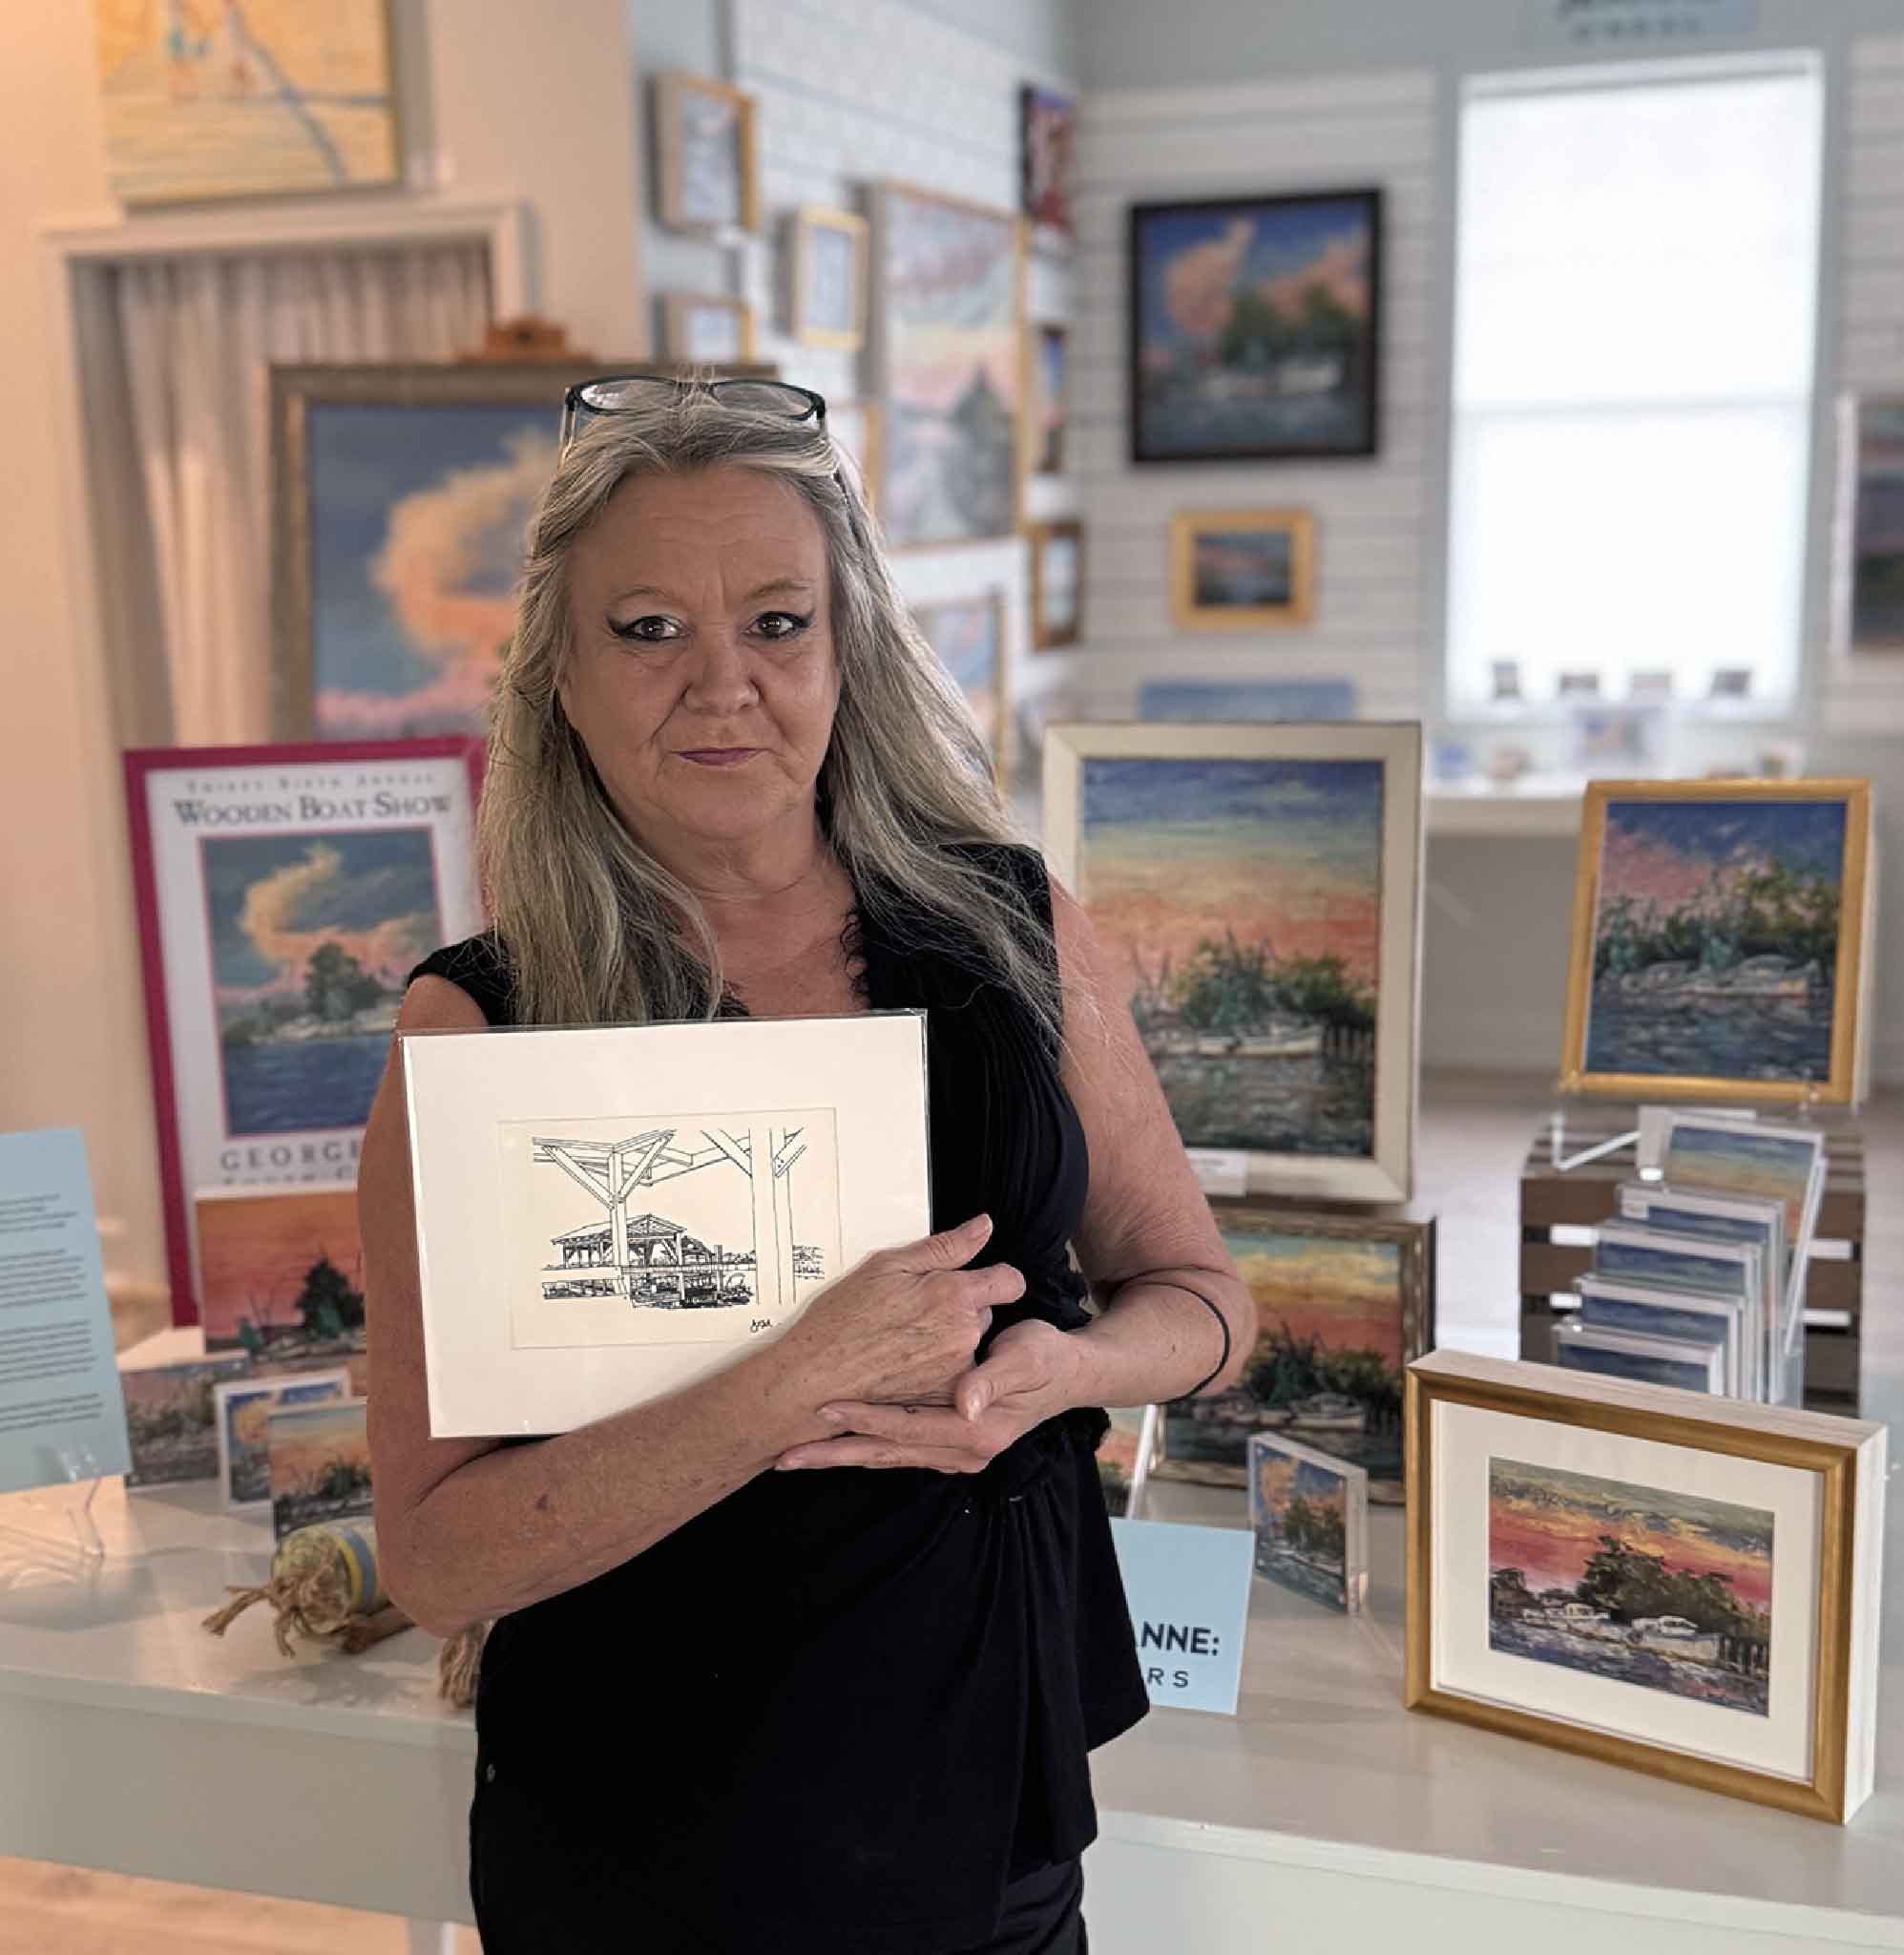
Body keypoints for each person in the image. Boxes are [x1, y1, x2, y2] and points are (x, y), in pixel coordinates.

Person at [358, 375, 1255, 1955]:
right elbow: (437, 1559)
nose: (723, 686)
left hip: (990, 1806)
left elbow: (1205, 1304)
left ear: (846, 654)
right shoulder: (479, 1028)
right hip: (645, 1844)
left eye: (777, 624)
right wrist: (793, 1380)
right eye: (648, 631)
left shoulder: (1013, 932)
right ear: (557, 677)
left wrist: (1061, 1371)